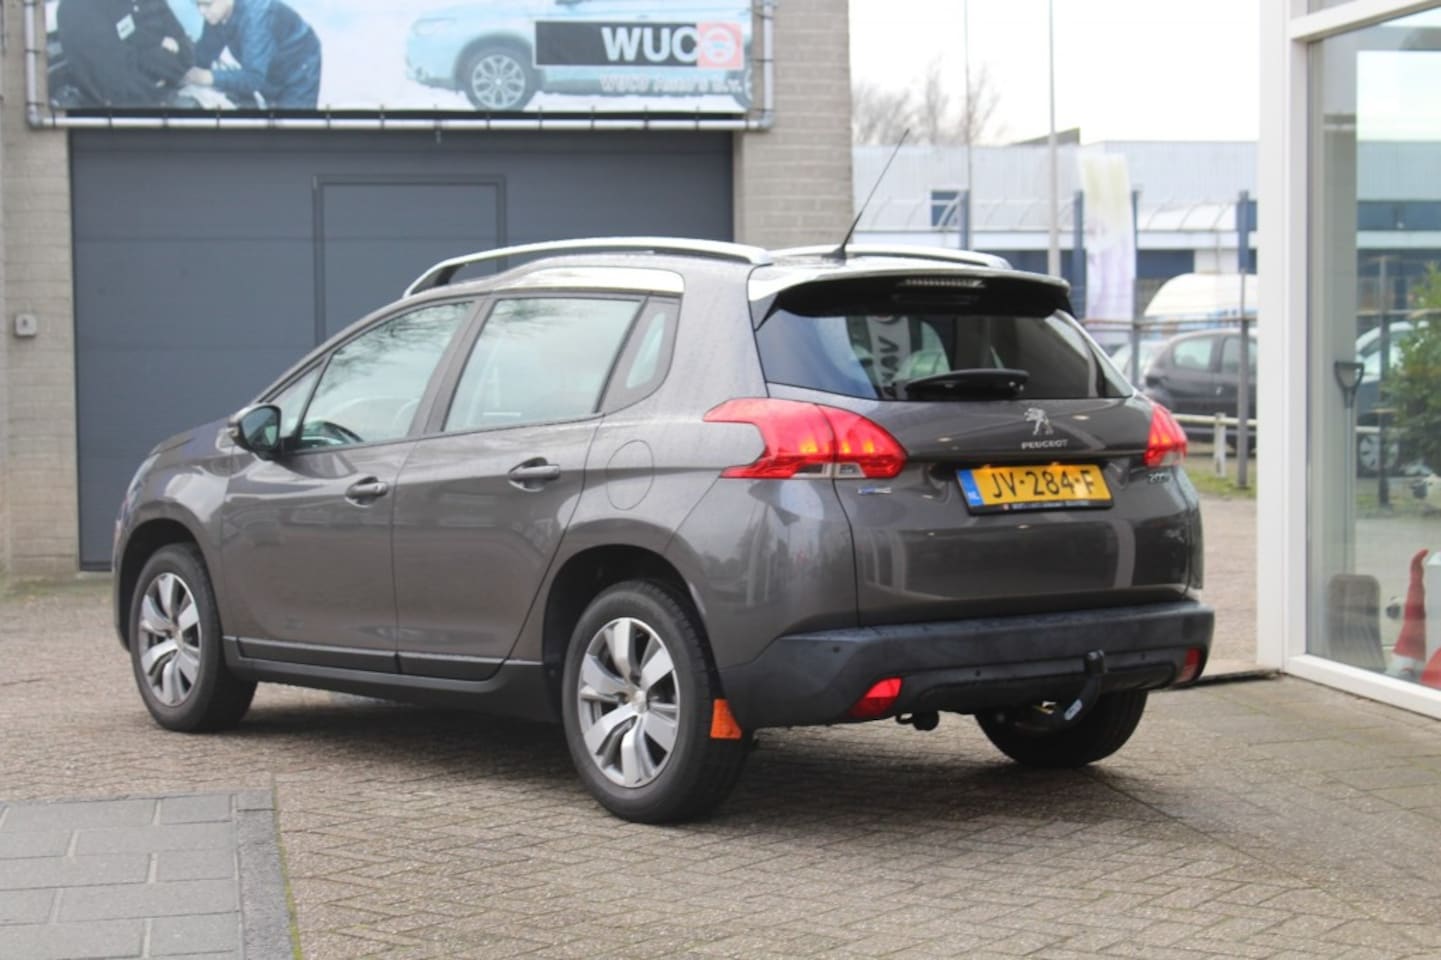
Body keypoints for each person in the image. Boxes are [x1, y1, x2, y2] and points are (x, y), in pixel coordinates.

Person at [183, 0, 322, 109]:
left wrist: (207, 77)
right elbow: (204, 55)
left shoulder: (256, 15)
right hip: (269, 68)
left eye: (207, 4)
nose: (202, 12)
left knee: (291, 129)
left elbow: (254, 78)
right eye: (197, 4)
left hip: (299, 68)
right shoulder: (216, 14)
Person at [55, 0, 195, 108]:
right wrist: (165, 68)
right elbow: (117, 81)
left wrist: (165, 71)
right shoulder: (77, 7)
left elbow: (186, 51)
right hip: (124, 111)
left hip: (160, 93)